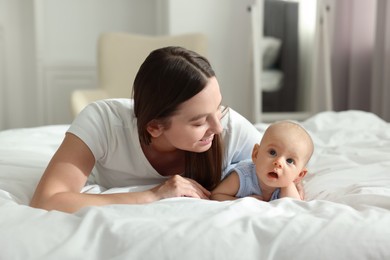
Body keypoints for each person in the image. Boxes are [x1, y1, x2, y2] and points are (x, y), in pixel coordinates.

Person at [29, 46, 264, 213]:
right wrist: (154, 195)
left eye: (218, 107)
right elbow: (48, 200)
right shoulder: (103, 123)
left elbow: (289, 168)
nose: (217, 127)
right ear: (154, 127)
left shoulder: (231, 128)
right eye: (199, 122)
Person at [210, 121, 313, 201]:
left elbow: (293, 207)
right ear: (256, 154)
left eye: (290, 161)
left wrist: (289, 183)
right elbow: (216, 195)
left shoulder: (286, 183)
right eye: (272, 152)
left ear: (299, 175)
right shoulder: (241, 177)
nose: (278, 162)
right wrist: (242, 202)